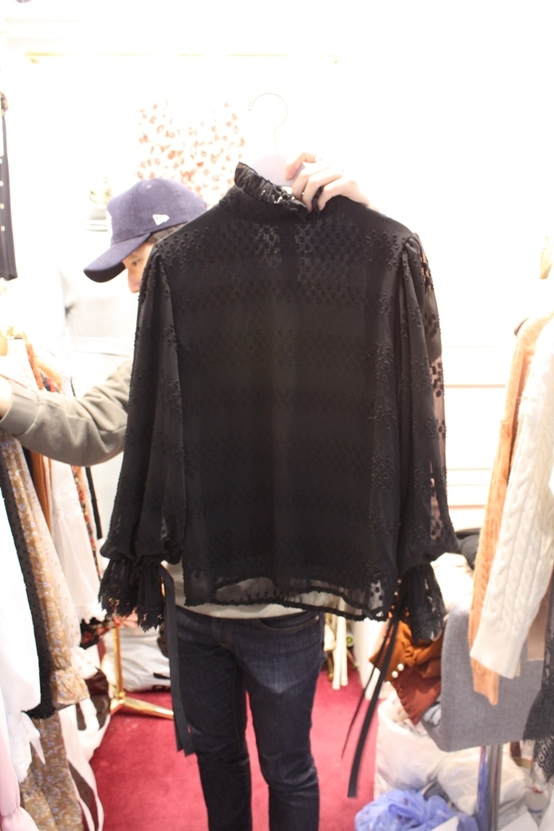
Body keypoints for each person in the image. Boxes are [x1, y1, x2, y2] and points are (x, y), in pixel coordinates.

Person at [0, 152, 373, 831]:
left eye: (137, 264)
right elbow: (87, 427)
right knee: (217, 756)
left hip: (280, 609)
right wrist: (6, 400)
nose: (133, 285)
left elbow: (365, 327)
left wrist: (359, 223)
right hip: (192, 610)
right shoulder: (156, 352)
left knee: (288, 765)